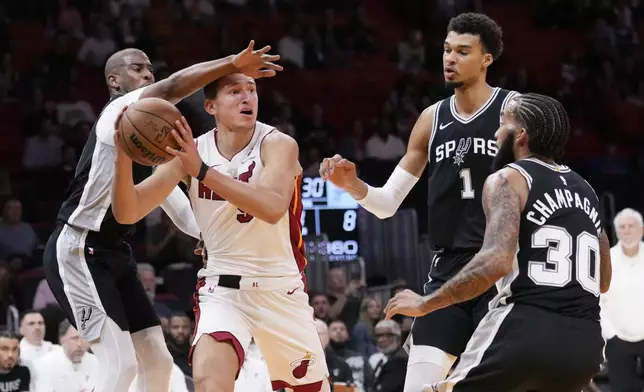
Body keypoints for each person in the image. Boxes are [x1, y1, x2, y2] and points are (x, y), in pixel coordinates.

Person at [42, 41, 282, 392]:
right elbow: (171, 87)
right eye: (137, 69)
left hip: (117, 253)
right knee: (120, 364)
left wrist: (208, 237)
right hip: (79, 248)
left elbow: (176, 204)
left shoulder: (147, 144)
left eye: (150, 69)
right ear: (115, 81)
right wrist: (231, 62)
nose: (148, 74)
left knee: (157, 363)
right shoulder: (117, 114)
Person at [319, 12, 517, 390]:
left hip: (500, 267)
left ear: (487, 58)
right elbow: (387, 203)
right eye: (446, 50)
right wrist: (354, 185)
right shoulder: (433, 118)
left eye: (462, 51)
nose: (449, 59)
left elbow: (543, 179)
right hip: (447, 270)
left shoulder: (513, 109)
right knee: (419, 385)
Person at [110, 71, 330, 392]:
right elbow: (128, 211)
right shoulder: (191, 152)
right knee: (209, 381)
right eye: (234, 91)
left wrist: (201, 171)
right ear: (211, 106)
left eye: (251, 90)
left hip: (280, 288)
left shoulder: (278, 144)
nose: (246, 98)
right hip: (222, 290)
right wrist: (120, 155)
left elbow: (270, 207)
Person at [384, 93, 612, 391]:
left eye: (502, 123)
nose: (495, 132)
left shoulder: (508, 179)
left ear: (520, 135)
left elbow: (495, 261)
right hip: (585, 348)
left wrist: (426, 304)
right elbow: (604, 280)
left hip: (524, 333)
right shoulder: (587, 190)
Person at [600, 208, 644, 392]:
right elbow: (598, 300)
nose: (627, 231)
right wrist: (610, 334)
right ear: (616, 231)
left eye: (631, 226)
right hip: (617, 339)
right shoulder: (606, 260)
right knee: (621, 388)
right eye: (622, 227)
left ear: (641, 229)